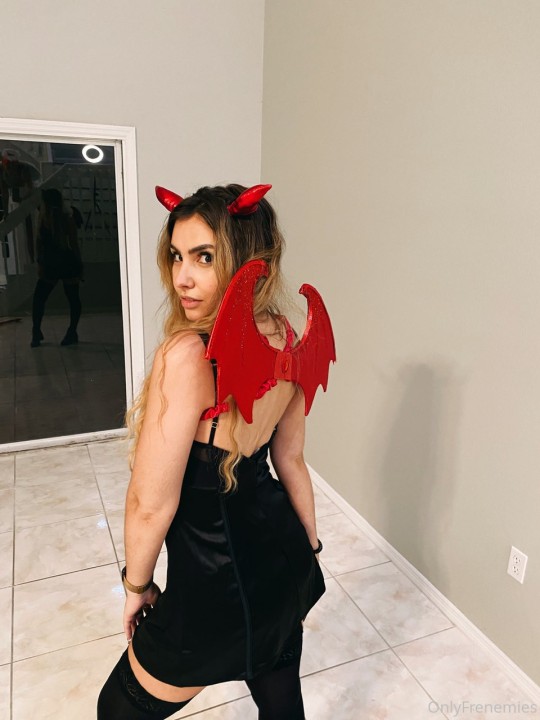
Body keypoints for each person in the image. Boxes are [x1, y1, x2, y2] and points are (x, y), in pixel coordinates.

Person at [97, 183, 335, 720]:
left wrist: (136, 586)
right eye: (177, 255)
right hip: (280, 559)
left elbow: (149, 504)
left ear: (249, 261)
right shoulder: (287, 337)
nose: (182, 276)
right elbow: (290, 461)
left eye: (204, 257)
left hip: (213, 584)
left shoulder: (189, 355)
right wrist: (308, 550)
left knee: (116, 710)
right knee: (281, 705)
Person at [30, 187, 83, 347]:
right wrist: (80, 264)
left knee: (39, 298)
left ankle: (36, 331)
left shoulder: (43, 219)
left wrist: (39, 263)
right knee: (73, 298)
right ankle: (71, 331)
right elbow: (73, 244)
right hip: (66, 260)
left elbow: (39, 243)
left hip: (51, 262)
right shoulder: (66, 218)